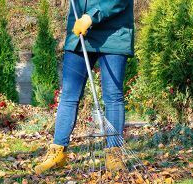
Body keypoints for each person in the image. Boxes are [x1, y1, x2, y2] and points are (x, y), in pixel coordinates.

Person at [35, 0, 134, 174]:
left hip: (114, 33)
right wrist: (85, 19)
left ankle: (114, 154)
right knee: (69, 95)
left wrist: (92, 16)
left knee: (113, 96)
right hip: (80, 32)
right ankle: (58, 152)